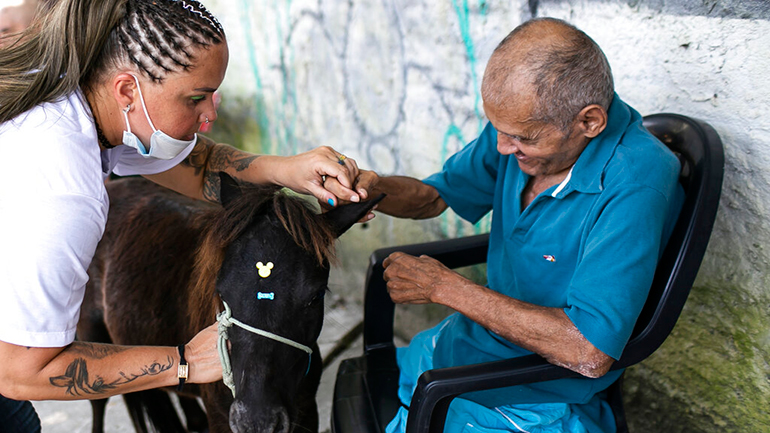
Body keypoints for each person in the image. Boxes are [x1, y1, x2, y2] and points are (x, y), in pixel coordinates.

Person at [0, 0, 368, 431]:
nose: (211, 114)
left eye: (212, 95)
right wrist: (184, 361)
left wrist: (286, 169)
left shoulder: (83, 99)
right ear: (126, 91)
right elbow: (22, 371)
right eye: (196, 98)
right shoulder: (64, 193)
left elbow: (198, 165)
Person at [338, 18, 685, 433]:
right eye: (499, 130)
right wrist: (373, 189)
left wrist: (446, 288)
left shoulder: (635, 181)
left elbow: (587, 351)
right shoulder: (519, 131)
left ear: (589, 122)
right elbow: (434, 196)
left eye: (523, 137)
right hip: (463, 345)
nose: (503, 147)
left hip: (534, 385)